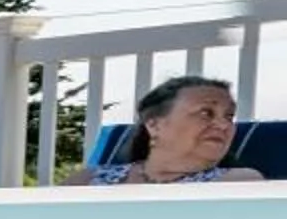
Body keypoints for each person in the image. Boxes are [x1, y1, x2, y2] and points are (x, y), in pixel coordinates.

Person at [74, 75, 267, 185]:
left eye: (229, 116)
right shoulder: (88, 180)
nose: (224, 125)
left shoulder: (238, 182)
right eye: (206, 112)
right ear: (154, 124)